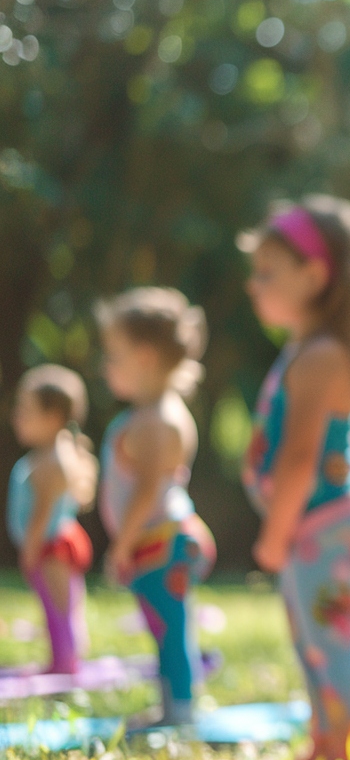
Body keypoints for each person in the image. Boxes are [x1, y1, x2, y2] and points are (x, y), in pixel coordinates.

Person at [240, 196, 350, 760]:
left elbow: (300, 459)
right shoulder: (305, 349)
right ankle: (326, 741)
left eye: (267, 273)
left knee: (329, 646)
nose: (255, 286)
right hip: (321, 529)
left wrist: (275, 534)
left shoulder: (321, 357)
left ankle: (346, 757)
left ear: (315, 274)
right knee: (312, 644)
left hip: (326, 529)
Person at [97, 288, 216, 724]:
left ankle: (180, 710)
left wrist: (121, 546)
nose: (106, 366)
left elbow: (147, 492)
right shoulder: (151, 413)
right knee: (164, 626)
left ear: (145, 357)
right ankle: (174, 705)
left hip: (162, 544)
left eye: (114, 355)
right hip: (161, 542)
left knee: (170, 628)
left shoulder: (157, 420)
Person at [7, 364, 98, 675]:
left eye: (26, 409)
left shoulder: (49, 462)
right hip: (52, 544)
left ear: (54, 416)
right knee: (61, 604)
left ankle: (65, 662)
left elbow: (41, 513)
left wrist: (30, 548)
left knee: (58, 607)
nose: (17, 415)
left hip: (51, 546)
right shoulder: (47, 456)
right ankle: (64, 658)